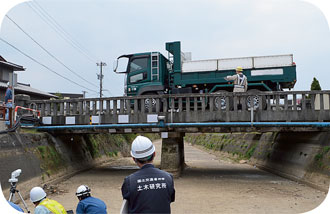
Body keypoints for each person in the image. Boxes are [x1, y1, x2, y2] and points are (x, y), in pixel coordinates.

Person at [121, 136, 175, 214]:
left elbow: (127, 203)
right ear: (154, 154)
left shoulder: (129, 181)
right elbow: (169, 199)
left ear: (134, 158)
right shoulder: (168, 178)